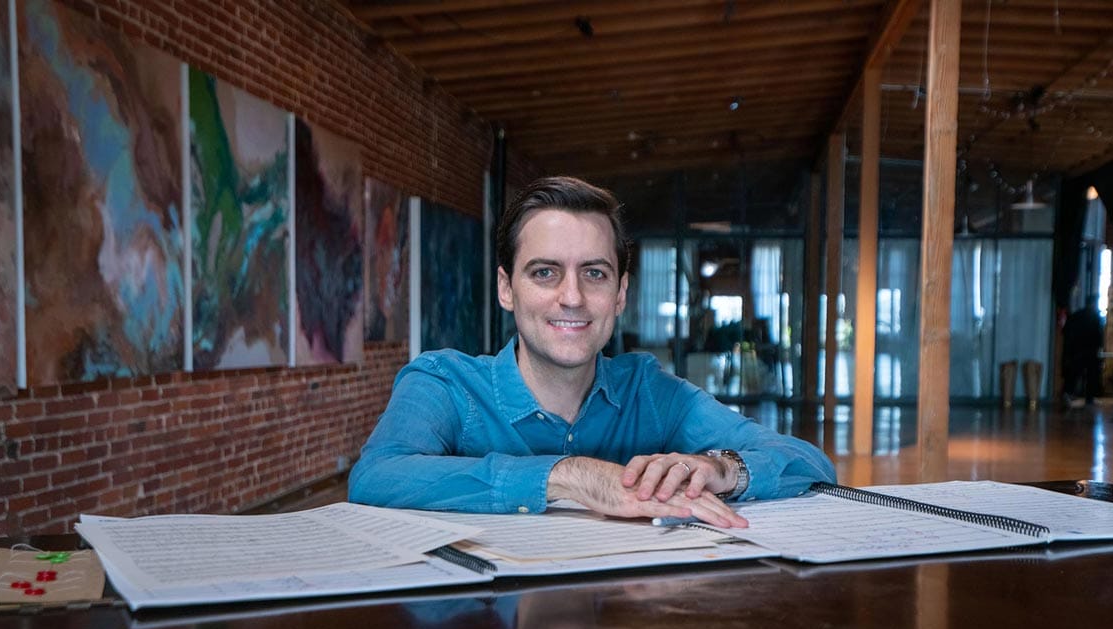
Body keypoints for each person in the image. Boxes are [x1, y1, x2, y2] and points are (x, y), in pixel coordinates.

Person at [348, 176, 835, 527]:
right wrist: (570, 476)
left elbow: (807, 462)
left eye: (594, 274)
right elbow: (377, 475)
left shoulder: (651, 392)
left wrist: (721, 468)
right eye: (545, 272)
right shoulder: (444, 383)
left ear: (620, 294)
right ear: (506, 287)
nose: (573, 297)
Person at [1061, 295, 1105, 406]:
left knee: (1074, 372)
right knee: (1091, 375)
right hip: (1091, 350)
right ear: (1094, 304)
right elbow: (1099, 335)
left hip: (1077, 350)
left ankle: (1068, 393)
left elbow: (1067, 331)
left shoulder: (1076, 315)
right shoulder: (1095, 317)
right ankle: (1089, 398)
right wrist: (1100, 347)